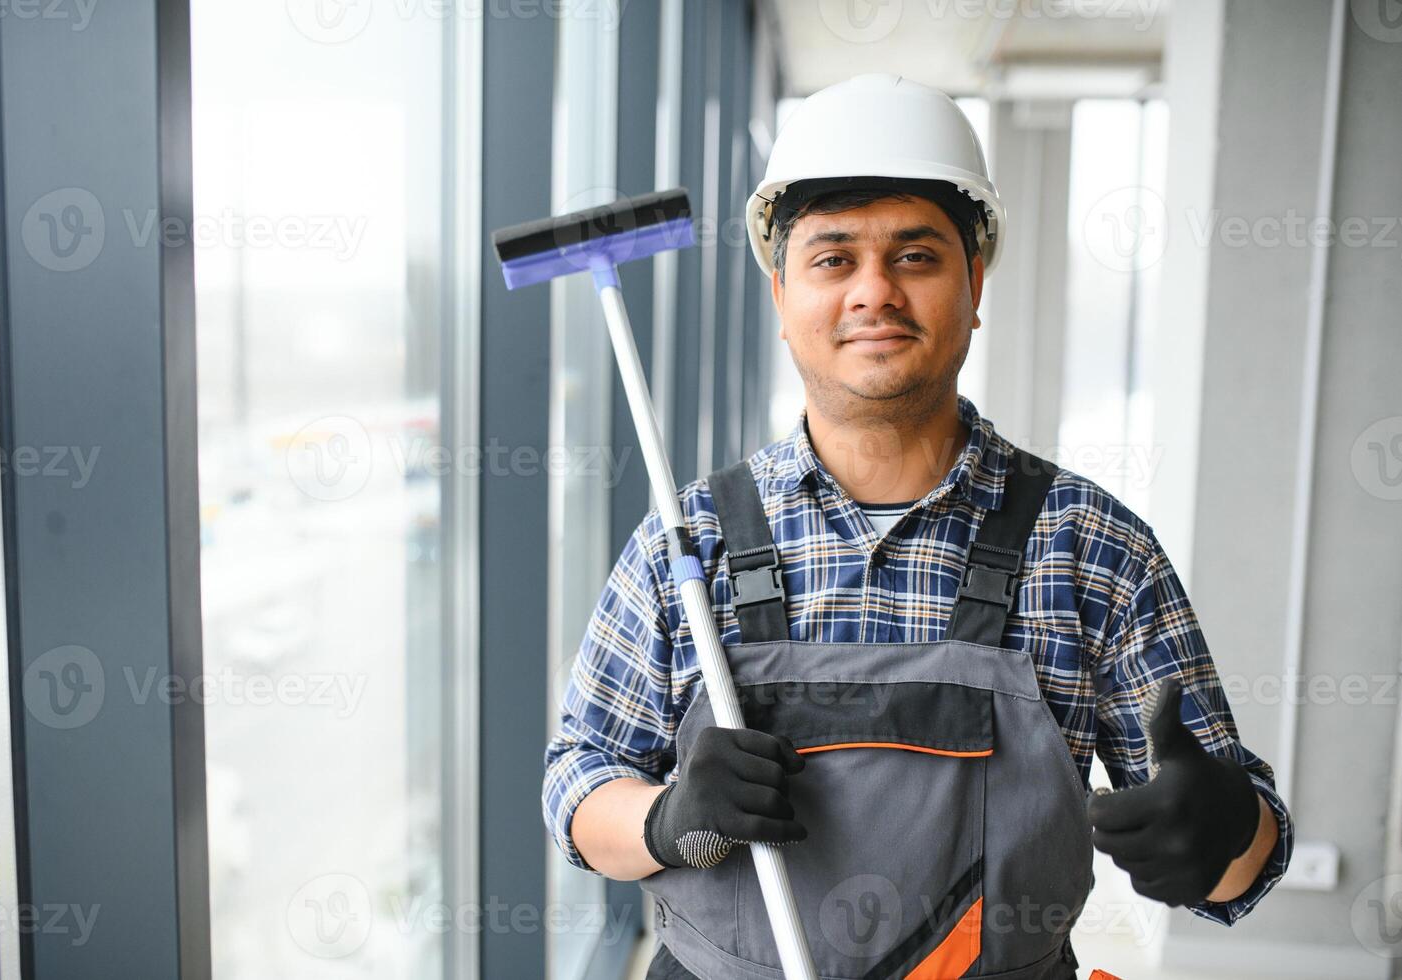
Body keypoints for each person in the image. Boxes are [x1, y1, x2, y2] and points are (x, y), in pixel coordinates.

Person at [542, 74, 1292, 980]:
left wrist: (1219, 828)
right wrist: (663, 817)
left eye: (915, 256)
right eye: (831, 260)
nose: (873, 293)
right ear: (780, 299)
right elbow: (575, 788)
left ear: (974, 285)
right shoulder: (686, 540)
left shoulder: (1090, 547)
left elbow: (1240, 866)